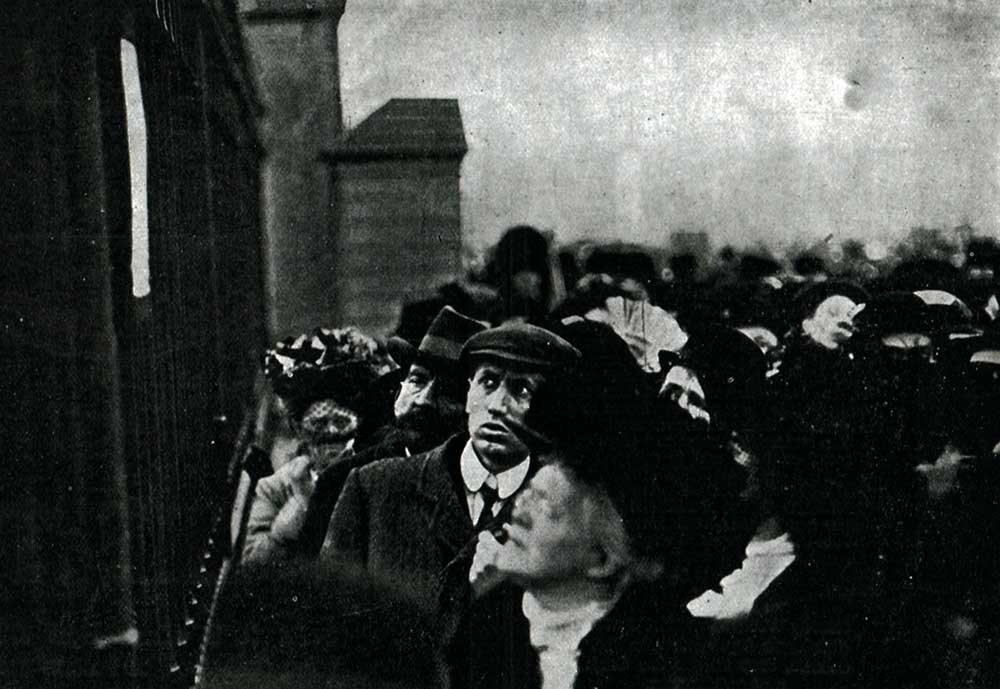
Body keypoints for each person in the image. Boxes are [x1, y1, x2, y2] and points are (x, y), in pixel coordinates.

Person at [319, 321, 580, 671]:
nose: (498, 405)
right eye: (488, 382)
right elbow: (327, 635)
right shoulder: (376, 489)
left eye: (521, 391)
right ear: (468, 391)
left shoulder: (568, 514)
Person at [285, 306, 488, 559]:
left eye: (449, 391)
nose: (424, 400)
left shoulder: (487, 486)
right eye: (417, 380)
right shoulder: (342, 480)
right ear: (397, 391)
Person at [240, 327, 390, 567]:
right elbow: (251, 562)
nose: (331, 434)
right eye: (318, 424)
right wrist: (297, 509)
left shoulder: (375, 473)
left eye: (341, 423)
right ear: (300, 430)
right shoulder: (275, 487)